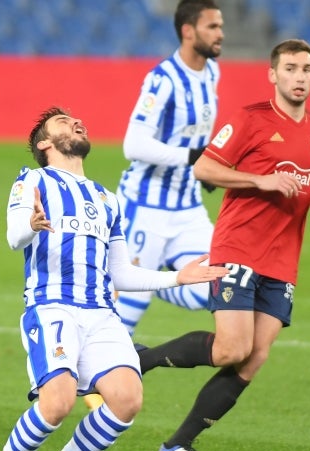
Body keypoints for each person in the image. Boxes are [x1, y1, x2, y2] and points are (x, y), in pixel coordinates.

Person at [0, 107, 228, 451]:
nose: (75, 123)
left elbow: (121, 273)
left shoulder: (106, 199)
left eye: (78, 120)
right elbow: (12, 237)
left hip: (100, 313)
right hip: (52, 306)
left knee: (127, 400)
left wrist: (178, 277)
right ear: (44, 144)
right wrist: (32, 226)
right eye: (62, 123)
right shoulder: (33, 180)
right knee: (56, 405)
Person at [137, 39, 310, 451]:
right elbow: (204, 168)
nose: (300, 77)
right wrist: (262, 181)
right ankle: (141, 359)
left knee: (255, 356)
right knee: (231, 348)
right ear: (273, 75)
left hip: (282, 260)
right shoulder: (251, 119)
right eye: (291, 69)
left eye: (307, 69)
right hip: (238, 247)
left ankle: (177, 445)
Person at [83, 0, 223, 413]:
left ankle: (154, 278)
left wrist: (206, 170)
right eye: (212, 26)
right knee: (126, 310)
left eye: (221, 26)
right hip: (144, 207)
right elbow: (134, 143)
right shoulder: (162, 80)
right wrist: (192, 157)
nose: (220, 34)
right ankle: (95, 382)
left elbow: (198, 139)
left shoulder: (211, 72)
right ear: (187, 31)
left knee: (218, 282)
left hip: (187, 206)